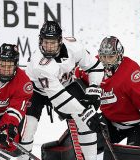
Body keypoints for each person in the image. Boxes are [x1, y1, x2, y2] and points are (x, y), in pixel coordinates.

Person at [19, 21, 104, 160]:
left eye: (53, 42)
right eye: (46, 42)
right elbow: (59, 99)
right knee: (29, 128)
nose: (49, 46)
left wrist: (94, 87)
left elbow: (95, 66)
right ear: (40, 41)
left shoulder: (74, 47)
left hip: (66, 85)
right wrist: (85, 112)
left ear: (60, 41)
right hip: (36, 91)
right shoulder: (39, 64)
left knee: (86, 123)